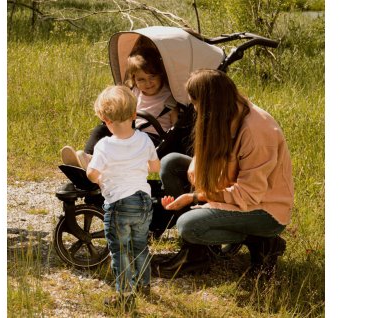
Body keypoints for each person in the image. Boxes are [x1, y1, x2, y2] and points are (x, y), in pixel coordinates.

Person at [155, 69, 294, 279]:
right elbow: (207, 159)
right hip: (231, 190)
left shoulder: (257, 131)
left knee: (187, 225)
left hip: (263, 209)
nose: (194, 108)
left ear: (209, 102)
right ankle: (197, 255)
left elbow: (248, 194)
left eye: (195, 103)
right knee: (171, 163)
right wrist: (197, 166)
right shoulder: (223, 112)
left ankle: (263, 242)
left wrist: (195, 196)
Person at [86, 85, 160, 309]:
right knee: (140, 245)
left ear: (104, 119)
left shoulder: (104, 145)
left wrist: (96, 176)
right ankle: (143, 283)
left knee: (119, 250)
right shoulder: (145, 140)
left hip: (119, 204)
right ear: (134, 115)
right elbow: (155, 166)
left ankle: (125, 293)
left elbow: (92, 174)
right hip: (143, 202)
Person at [61, 46, 179, 169]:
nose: (148, 83)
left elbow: (175, 127)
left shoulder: (169, 96)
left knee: (128, 142)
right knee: (101, 129)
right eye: (141, 79)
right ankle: (86, 158)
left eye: (152, 77)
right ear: (134, 79)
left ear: (160, 75)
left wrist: (170, 140)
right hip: (131, 130)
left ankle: (95, 163)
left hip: (153, 139)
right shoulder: (134, 92)